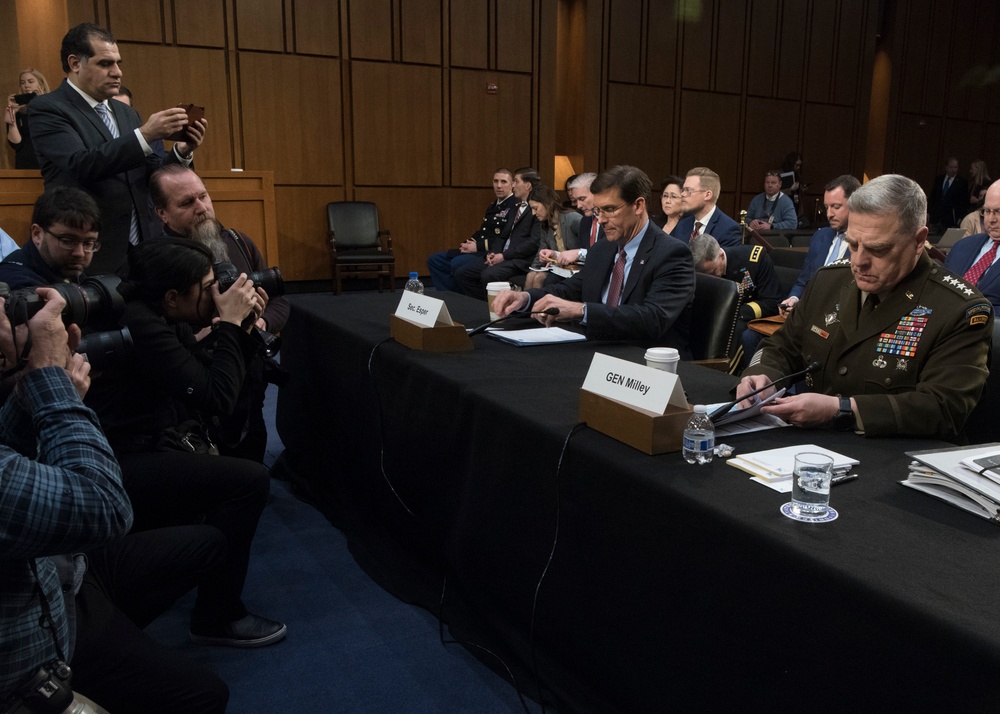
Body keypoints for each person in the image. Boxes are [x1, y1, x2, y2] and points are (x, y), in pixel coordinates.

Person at [84, 239, 286, 648]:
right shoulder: (141, 325)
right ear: (173, 296)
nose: (217, 293)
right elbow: (216, 397)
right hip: (114, 460)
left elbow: (210, 379)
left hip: (151, 441)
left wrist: (242, 329)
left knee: (232, 473)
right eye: (208, 286)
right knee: (248, 481)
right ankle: (217, 615)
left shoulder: (161, 313)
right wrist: (229, 326)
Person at [737, 174, 992, 440]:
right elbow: (783, 346)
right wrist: (762, 376)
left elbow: (944, 408)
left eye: (878, 249)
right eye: (853, 244)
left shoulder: (960, 309)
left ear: (918, 241)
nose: (859, 262)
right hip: (812, 448)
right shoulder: (829, 281)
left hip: (893, 458)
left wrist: (842, 410)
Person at [28, 23, 208, 275]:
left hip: (141, 248)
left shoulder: (127, 114)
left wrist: (182, 151)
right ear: (75, 63)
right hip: (89, 250)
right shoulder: (48, 108)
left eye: (118, 63)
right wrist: (145, 134)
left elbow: (150, 173)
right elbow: (80, 164)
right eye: (105, 64)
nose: (118, 72)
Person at [150, 164, 289, 461]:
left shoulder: (238, 241)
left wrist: (257, 321)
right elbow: (154, 329)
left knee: (252, 454)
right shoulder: (158, 263)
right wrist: (210, 330)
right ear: (162, 213)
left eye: (204, 196)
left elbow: (280, 302)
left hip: (249, 382)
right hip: (198, 388)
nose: (201, 208)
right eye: (187, 203)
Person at [493, 165, 695, 351]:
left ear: (638, 205)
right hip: (596, 348)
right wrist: (525, 298)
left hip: (642, 357)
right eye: (598, 211)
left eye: (609, 209)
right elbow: (570, 289)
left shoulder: (671, 253)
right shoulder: (602, 249)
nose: (601, 220)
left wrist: (582, 311)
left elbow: (653, 319)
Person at [689, 232, 782, 374]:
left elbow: (772, 301)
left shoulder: (754, 259)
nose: (712, 278)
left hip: (744, 316)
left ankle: (724, 372)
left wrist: (736, 311)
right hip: (712, 314)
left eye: (713, 271)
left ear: (720, 255)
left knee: (738, 330)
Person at [781, 175, 862, 313]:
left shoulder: (865, 242)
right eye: (826, 207)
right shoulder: (820, 236)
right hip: (809, 314)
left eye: (836, 207)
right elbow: (804, 280)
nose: (829, 214)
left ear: (855, 204)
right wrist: (794, 298)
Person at [427, 168, 516, 292]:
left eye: (503, 182)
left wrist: (477, 246)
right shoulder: (493, 205)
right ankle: (449, 295)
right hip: (478, 248)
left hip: (491, 252)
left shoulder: (514, 206)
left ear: (512, 184)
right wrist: (468, 243)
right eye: (496, 181)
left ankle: (459, 296)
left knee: (457, 263)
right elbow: (483, 230)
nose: (499, 186)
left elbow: (505, 238)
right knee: (435, 259)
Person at [0, 186, 100, 289]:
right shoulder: (15, 283)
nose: (80, 253)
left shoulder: (64, 267)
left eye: (88, 243)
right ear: (37, 234)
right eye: (68, 241)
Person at [462, 167, 541, 296]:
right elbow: (502, 236)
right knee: (464, 272)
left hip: (521, 259)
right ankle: (482, 306)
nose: (513, 185)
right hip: (504, 256)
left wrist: (504, 256)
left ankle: (495, 309)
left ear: (527, 185)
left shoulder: (537, 208)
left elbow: (533, 242)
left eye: (515, 181)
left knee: (488, 274)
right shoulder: (516, 207)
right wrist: (493, 253)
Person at [944, 182, 1000, 309]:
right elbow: (939, 292)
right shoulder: (962, 246)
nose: (991, 219)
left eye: (998, 211)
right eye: (986, 211)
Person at [523, 184, 582, 290]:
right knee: (531, 275)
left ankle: (540, 306)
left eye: (535, 208)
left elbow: (586, 249)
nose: (533, 213)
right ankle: (525, 305)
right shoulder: (545, 224)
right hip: (558, 267)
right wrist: (536, 266)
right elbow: (542, 250)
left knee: (539, 278)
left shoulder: (573, 220)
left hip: (576, 268)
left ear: (547, 204)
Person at [542, 172, 602, 269]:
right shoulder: (585, 221)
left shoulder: (610, 222)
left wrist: (579, 253)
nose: (578, 205)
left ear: (597, 194)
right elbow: (585, 256)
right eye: (576, 200)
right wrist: (556, 255)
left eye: (582, 199)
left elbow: (605, 254)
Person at [672, 167, 743, 248]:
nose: (683, 194)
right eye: (683, 190)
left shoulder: (728, 229)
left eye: (688, 190)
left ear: (707, 195)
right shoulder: (683, 224)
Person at [5, 68, 50, 169]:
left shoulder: (52, 107)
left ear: (41, 84)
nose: (26, 85)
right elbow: (16, 144)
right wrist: (12, 113)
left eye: (30, 81)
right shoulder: (19, 111)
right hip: (26, 164)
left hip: (49, 163)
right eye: (22, 83)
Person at [927, 157, 969, 231]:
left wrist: (961, 217)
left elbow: (963, 202)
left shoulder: (962, 182)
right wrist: (928, 212)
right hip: (936, 216)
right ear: (946, 167)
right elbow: (933, 197)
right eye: (951, 167)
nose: (953, 170)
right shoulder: (939, 179)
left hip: (950, 218)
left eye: (955, 167)